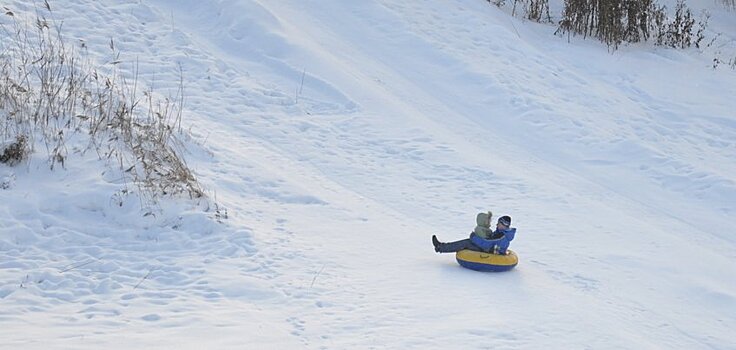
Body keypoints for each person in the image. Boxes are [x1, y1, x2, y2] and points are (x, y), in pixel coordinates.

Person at [432, 213, 516, 255]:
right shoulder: (502, 233)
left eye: (499, 224)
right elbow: (490, 240)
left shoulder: (501, 235)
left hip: (491, 252)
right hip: (491, 249)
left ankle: (440, 247)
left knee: (467, 242)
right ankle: (442, 246)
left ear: (504, 225)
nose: (497, 225)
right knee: (469, 242)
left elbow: (486, 244)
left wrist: (474, 237)